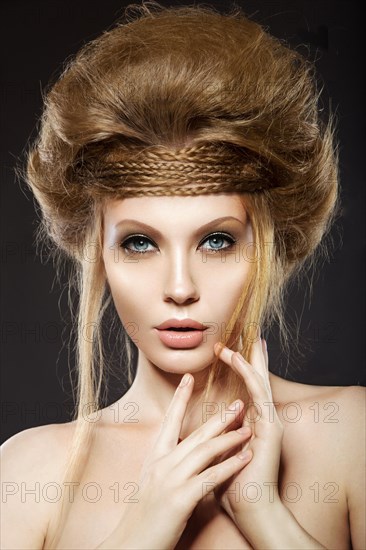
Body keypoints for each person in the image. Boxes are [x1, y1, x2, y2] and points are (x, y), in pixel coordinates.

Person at [1, 2, 365, 549]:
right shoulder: (28, 472)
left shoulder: (351, 433)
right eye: (139, 243)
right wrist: (142, 529)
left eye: (216, 240)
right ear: (96, 251)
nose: (179, 288)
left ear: (265, 244)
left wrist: (264, 512)